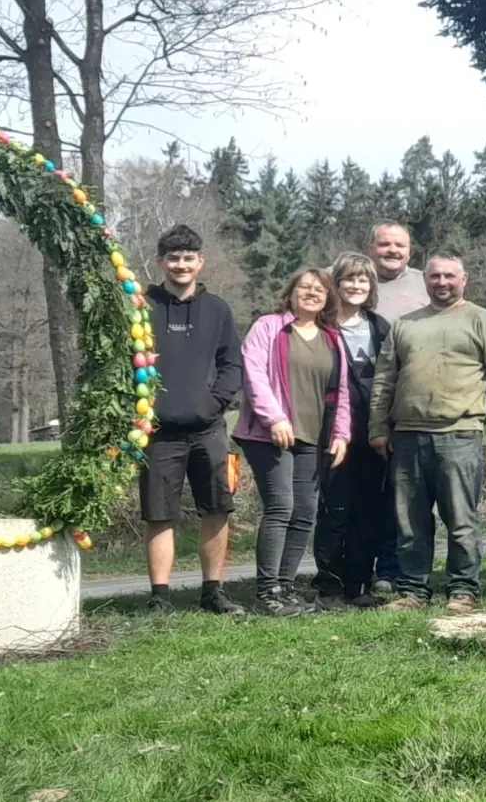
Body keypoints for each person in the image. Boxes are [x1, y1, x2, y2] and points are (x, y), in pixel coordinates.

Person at [370, 253, 486, 611]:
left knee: (461, 519)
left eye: (449, 276)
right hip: (406, 435)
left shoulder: (483, 320)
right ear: (425, 280)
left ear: (463, 279)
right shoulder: (405, 324)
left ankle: (463, 588)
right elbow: (384, 379)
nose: (442, 282)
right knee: (410, 522)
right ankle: (413, 591)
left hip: (460, 436)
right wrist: (378, 426)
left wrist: (481, 412)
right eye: (435, 276)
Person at [233, 268, 353, 616]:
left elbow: (341, 392)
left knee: (305, 513)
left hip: (313, 436)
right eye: (305, 287)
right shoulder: (268, 327)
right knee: (280, 507)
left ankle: (285, 589)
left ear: (328, 298)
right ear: (291, 291)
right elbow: (253, 373)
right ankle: (266, 592)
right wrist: (275, 418)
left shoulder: (332, 337)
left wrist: (341, 434)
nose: (312, 293)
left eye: (320, 289)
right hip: (270, 434)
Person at [140, 225, 245, 615]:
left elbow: (231, 363)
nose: (180, 265)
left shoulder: (217, 309)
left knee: (217, 509)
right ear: (160, 261)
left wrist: (214, 403)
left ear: (200, 261)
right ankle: (160, 596)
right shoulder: (141, 306)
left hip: (209, 431)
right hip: (158, 432)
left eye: (188, 258)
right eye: (172, 257)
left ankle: (213, 591)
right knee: (159, 514)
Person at [310, 252, 394, 609]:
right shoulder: (321, 327)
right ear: (336, 284)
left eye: (363, 280)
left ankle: (359, 583)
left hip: (373, 433)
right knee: (334, 509)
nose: (356, 286)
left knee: (369, 509)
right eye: (349, 279)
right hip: (331, 433)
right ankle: (329, 585)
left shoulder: (380, 327)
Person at [366, 221, 430, 595]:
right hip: (350, 399)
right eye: (384, 244)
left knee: (399, 496)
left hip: (403, 404)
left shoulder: (427, 283)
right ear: (370, 246)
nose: (392, 250)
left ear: (411, 249)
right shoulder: (347, 278)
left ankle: (390, 570)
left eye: (400, 245)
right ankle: (349, 569)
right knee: (356, 493)